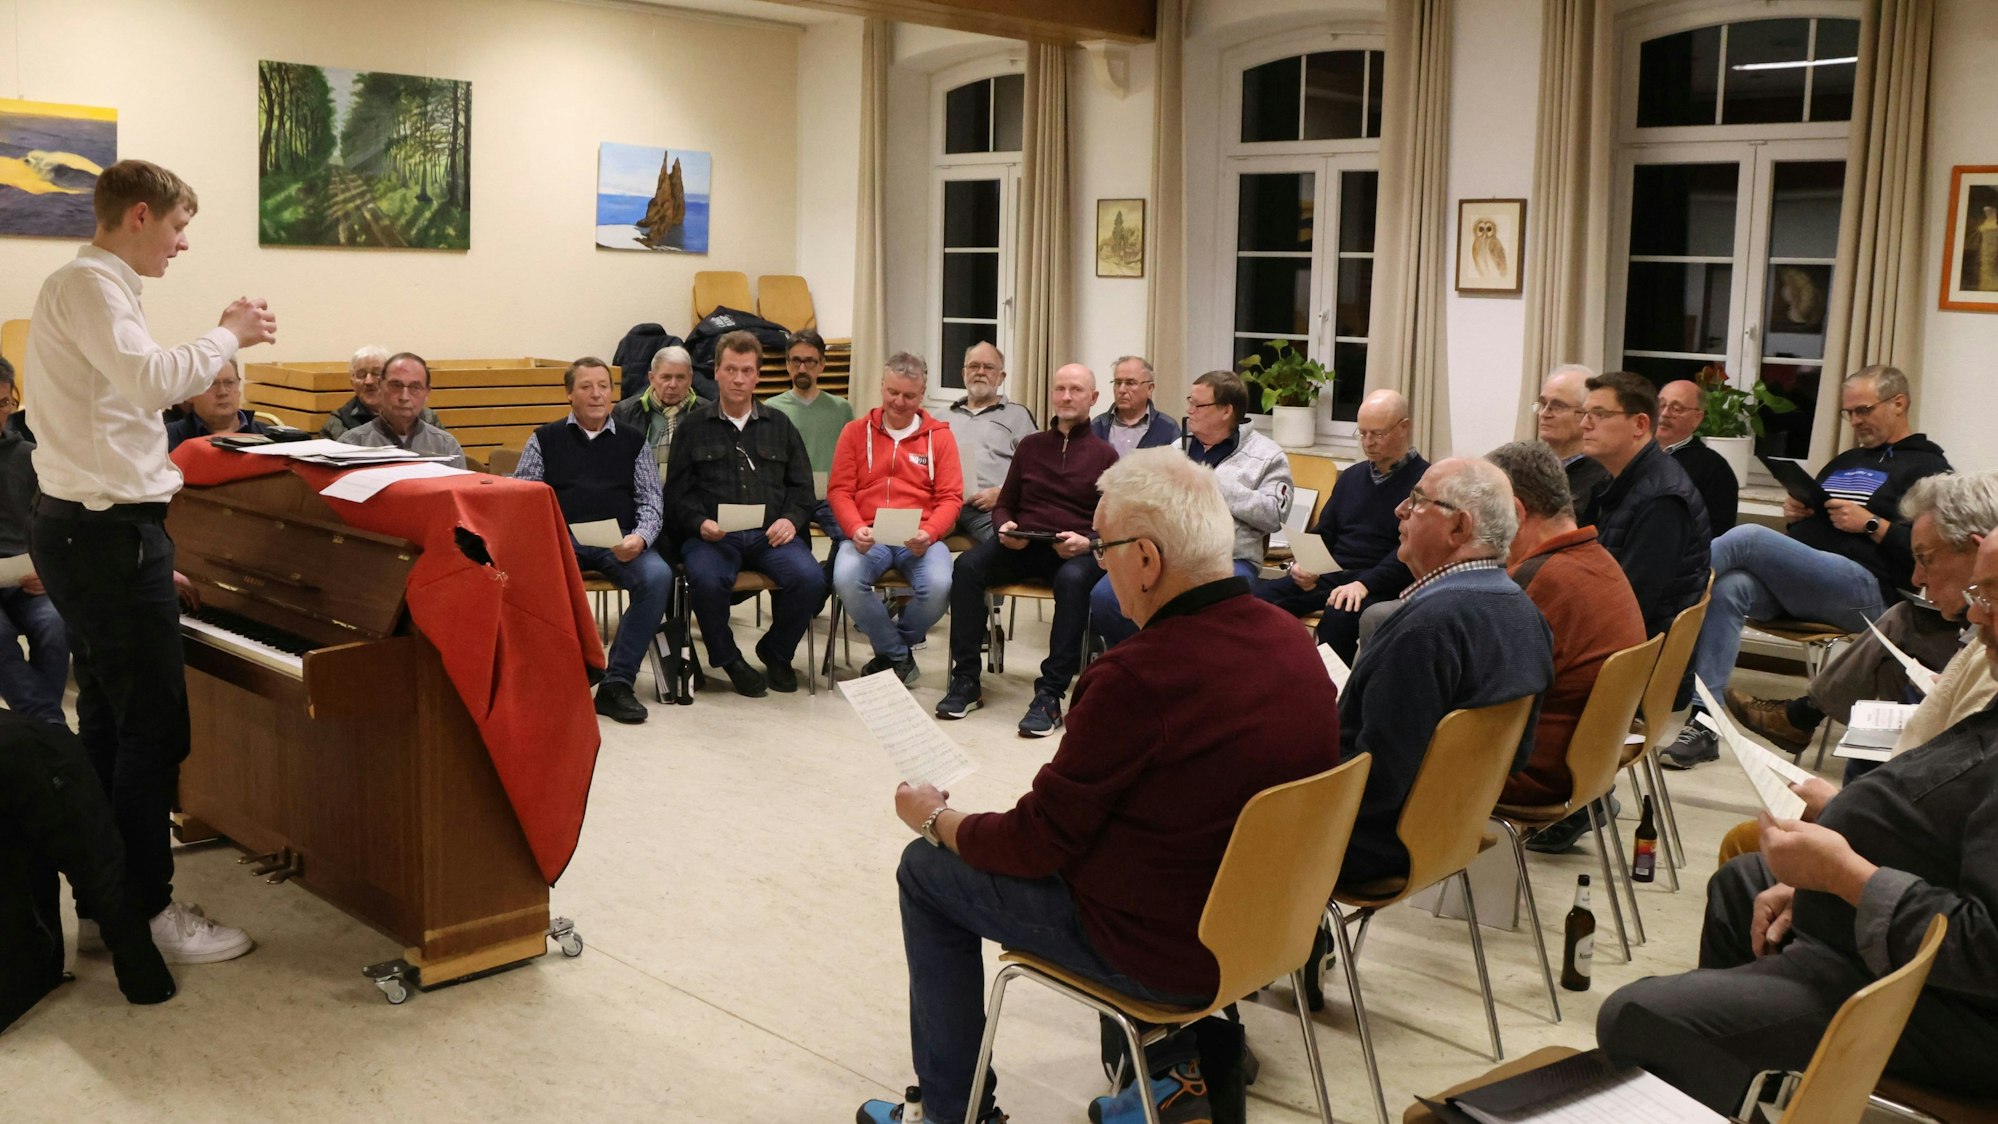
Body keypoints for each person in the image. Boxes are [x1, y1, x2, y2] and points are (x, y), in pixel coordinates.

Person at [857, 448, 1338, 1124]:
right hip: (1268, 929)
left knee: (926, 872)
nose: (1100, 562)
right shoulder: (1290, 638)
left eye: (1107, 546)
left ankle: (953, 1114)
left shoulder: (1136, 677)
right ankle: (1169, 1073)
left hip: (1164, 949)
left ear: (1146, 558)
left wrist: (938, 818)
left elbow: (1033, 846)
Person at [25, 158, 275, 963]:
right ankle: (150, 911)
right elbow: (149, 381)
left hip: (99, 533)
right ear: (138, 216)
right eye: (176, 226)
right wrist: (228, 333)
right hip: (104, 535)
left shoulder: (94, 290)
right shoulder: (90, 285)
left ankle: (109, 904)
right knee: (153, 731)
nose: (182, 243)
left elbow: (117, 406)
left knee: (106, 719)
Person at [1595, 651, 1998, 1112]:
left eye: (1991, 594)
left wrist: (1844, 877)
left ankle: (1722, 1046)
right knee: (1742, 887)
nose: (1975, 613)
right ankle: (1735, 1089)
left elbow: (1986, 947)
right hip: (1901, 959)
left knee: (1640, 1018)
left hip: (1954, 1010)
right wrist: (1844, 835)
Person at [1668, 366, 1951, 770]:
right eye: (1848, 413)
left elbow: (1930, 552)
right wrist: (1798, 515)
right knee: (1731, 588)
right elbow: (1817, 530)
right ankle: (1704, 722)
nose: (1855, 421)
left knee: (1748, 538)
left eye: (1863, 410)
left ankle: (1658, 604)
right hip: (1811, 585)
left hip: (1869, 593)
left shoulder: (1929, 469)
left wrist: (1872, 524)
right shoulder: (1845, 461)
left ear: (1899, 403)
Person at [1340, 457, 1553, 885]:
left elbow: (1375, 781)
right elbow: (1520, 754)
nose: (1400, 510)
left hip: (1370, 845)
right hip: (1453, 831)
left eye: (1417, 500)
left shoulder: (1425, 630)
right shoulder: (1527, 614)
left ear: (1459, 528)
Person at [1726, 471, 1998, 755]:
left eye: (1925, 559)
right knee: (1893, 667)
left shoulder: (1920, 460)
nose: (1918, 578)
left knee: (1748, 539)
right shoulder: (1845, 462)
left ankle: (1804, 719)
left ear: (1975, 550)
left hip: (1870, 587)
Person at [936, 363, 1118, 736]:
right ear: (1052, 394)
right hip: (1023, 543)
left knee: (1072, 582)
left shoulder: (1106, 456)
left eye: (1076, 390)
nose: (1066, 397)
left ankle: (1050, 695)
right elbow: (1007, 501)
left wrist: (1087, 540)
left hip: (1073, 551)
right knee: (968, 567)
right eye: (1060, 389)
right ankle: (966, 680)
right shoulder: (1032, 446)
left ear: (1094, 399)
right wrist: (1004, 525)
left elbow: (1113, 522)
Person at [1483, 442, 1646, 853]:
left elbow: (1475, 697)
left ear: (1516, 513)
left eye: (1489, 513)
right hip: (1588, 763)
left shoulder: (1541, 580)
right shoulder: (1596, 559)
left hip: (1534, 774)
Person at [662, 330, 823, 697]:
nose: (738, 379)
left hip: (771, 537)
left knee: (811, 578)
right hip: (715, 538)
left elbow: (802, 490)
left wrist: (790, 520)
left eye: (747, 371)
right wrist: (699, 523)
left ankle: (777, 652)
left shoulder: (780, 426)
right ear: (715, 371)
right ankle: (728, 658)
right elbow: (677, 495)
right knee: (704, 578)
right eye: (731, 369)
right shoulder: (693, 428)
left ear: (758, 375)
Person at [512, 357, 670, 725]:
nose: (596, 394)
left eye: (603, 386)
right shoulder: (544, 439)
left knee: (658, 577)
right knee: (528, 577)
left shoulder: (633, 441)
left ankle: (617, 683)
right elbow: (525, 496)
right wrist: (548, 537)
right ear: (570, 393)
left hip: (619, 540)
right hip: (562, 539)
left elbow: (651, 500)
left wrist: (641, 538)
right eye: (586, 386)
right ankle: (561, 675)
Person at [1089, 369, 1291, 648]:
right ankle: (1146, 663)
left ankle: (1183, 670)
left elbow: (1274, 515)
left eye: (1198, 405)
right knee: (1105, 596)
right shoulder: (1177, 448)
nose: (1189, 410)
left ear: (1225, 411)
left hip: (1231, 560)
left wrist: (1209, 481)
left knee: (1195, 610)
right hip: (1166, 555)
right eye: (1189, 401)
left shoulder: (1267, 456)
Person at [2, 710, 177, 1031]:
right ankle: (146, 982)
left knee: (36, 862)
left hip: (26, 750)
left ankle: (41, 971)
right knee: (98, 866)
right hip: (33, 750)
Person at [1253, 388, 1423, 661]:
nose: (1368, 442)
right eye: (1362, 433)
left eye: (1377, 434)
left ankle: (1327, 694)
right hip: (1331, 575)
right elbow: (1325, 532)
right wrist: (1305, 565)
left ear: (1404, 428)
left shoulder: (1424, 482)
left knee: (1340, 616)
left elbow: (1412, 551)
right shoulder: (1352, 477)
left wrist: (1364, 583)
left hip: (1379, 584)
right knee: (1254, 601)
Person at [826, 352, 963, 685]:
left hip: (919, 535)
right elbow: (839, 491)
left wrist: (929, 533)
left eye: (909, 395)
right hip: (868, 533)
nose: (900, 402)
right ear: (882, 387)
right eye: (893, 393)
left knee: (940, 585)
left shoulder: (940, 437)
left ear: (923, 393)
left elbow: (951, 498)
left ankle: (893, 650)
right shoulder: (855, 432)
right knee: (845, 578)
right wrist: (854, 527)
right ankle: (899, 655)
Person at [1580, 371, 1711, 638]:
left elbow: (1630, 606)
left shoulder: (1662, 500)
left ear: (1640, 425)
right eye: (1584, 413)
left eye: (1599, 414)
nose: (1584, 424)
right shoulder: (1618, 479)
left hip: (1634, 662)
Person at [0, 371, 68, 726]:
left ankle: (42, 739)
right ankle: (52, 733)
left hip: (25, 574)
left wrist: (47, 569)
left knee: (55, 628)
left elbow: (56, 525)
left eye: (4, 404)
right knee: (1, 639)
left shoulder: (29, 456)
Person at [765, 330, 854, 543]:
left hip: (830, 497)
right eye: (796, 361)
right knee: (788, 545)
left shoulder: (841, 409)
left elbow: (853, 459)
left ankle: (829, 572)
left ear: (822, 364)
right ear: (787, 364)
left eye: (810, 362)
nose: (802, 368)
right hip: (789, 498)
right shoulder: (771, 410)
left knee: (849, 537)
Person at [945, 342, 1037, 544]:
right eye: (973, 366)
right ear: (963, 373)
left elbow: (1036, 468)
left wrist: (1003, 493)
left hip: (988, 507)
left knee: (1010, 544)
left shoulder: (1017, 415)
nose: (980, 372)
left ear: (1001, 377)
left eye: (988, 367)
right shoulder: (940, 416)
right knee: (903, 539)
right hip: (943, 504)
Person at [336, 352, 466, 469]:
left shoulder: (446, 446)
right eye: (396, 386)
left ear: (427, 393)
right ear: (380, 386)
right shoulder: (351, 445)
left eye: (415, 387)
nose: (404, 397)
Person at [1656, 379, 1739, 534]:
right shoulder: (1630, 453)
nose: (1665, 413)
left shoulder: (1713, 468)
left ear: (1697, 418)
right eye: (1660, 404)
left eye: (1676, 408)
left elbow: (1719, 532)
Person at [610, 343, 701, 485]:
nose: (672, 384)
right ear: (651, 378)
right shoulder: (624, 412)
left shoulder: (705, 413)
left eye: (680, 378)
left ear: (690, 379)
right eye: (666, 377)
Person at [1534, 364, 1610, 524]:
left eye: (1557, 406)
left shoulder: (1602, 479)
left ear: (1587, 414)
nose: (1544, 413)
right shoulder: (1530, 466)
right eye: (1542, 404)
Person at [320, 344, 438, 439]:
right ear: (352, 382)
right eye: (361, 375)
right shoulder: (339, 422)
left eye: (376, 373)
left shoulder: (426, 417)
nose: (369, 381)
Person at [163, 359, 269, 450]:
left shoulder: (270, 437)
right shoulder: (166, 440)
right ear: (190, 394)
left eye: (229, 382)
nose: (222, 392)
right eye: (211, 384)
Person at [1089, 354, 1179, 456]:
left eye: (1130, 383)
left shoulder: (1167, 428)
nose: (1121, 390)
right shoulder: (1097, 426)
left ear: (1150, 388)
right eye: (1118, 383)